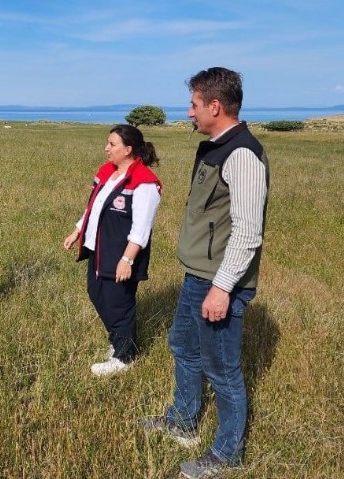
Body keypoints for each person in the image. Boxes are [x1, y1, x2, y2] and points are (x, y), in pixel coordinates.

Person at [140, 67, 269, 478]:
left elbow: (248, 232)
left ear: (215, 106)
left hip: (219, 281)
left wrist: (222, 288)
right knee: (183, 344)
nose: (189, 112)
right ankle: (183, 420)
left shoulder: (242, 154)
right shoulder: (215, 146)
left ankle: (227, 454)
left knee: (222, 368)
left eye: (194, 104)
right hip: (200, 274)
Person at [63, 124, 162, 377]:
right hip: (98, 248)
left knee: (119, 304)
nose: (106, 148)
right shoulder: (107, 172)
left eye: (112, 144)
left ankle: (125, 357)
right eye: (107, 143)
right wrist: (77, 231)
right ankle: (120, 342)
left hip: (122, 254)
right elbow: (92, 207)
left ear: (128, 149)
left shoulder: (145, 183)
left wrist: (127, 260)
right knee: (96, 294)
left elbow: (142, 228)